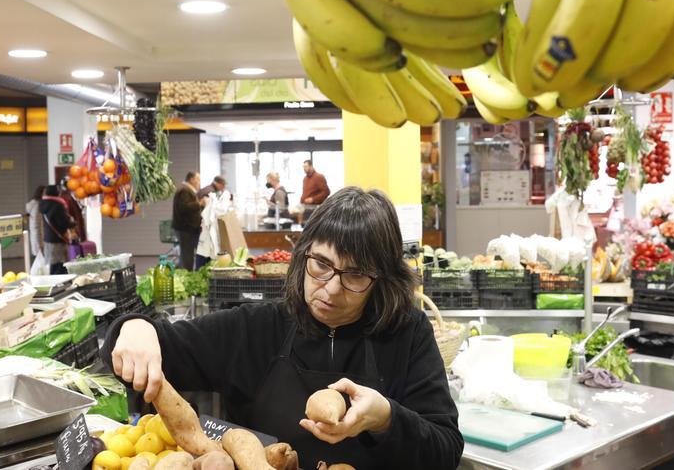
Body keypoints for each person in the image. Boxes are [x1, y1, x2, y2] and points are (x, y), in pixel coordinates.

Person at [104, 187, 463, 469]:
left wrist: (386, 418)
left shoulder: (407, 333)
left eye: (354, 274)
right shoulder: (257, 328)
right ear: (303, 255)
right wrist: (134, 327)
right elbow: (143, 354)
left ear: (381, 280)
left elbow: (445, 452)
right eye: (321, 264)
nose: (332, 288)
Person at [40, 185, 75, 274]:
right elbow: (62, 222)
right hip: (58, 238)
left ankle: (54, 281)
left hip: (48, 238)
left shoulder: (43, 204)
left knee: (53, 263)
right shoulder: (57, 205)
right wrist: (72, 223)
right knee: (60, 264)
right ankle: (60, 283)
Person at [173, 172, 204, 270]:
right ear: (191, 179)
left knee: (188, 254)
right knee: (187, 255)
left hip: (189, 228)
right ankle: (186, 276)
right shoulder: (184, 190)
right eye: (198, 179)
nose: (199, 182)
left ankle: (186, 273)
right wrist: (200, 204)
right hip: (186, 229)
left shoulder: (187, 190)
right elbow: (185, 207)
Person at [26, 186, 47, 272]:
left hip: (35, 235)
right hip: (38, 236)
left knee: (38, 260)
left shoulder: (32, 204)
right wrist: (41, 242)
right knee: (39, 261)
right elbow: (37, 224)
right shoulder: (38, 205)